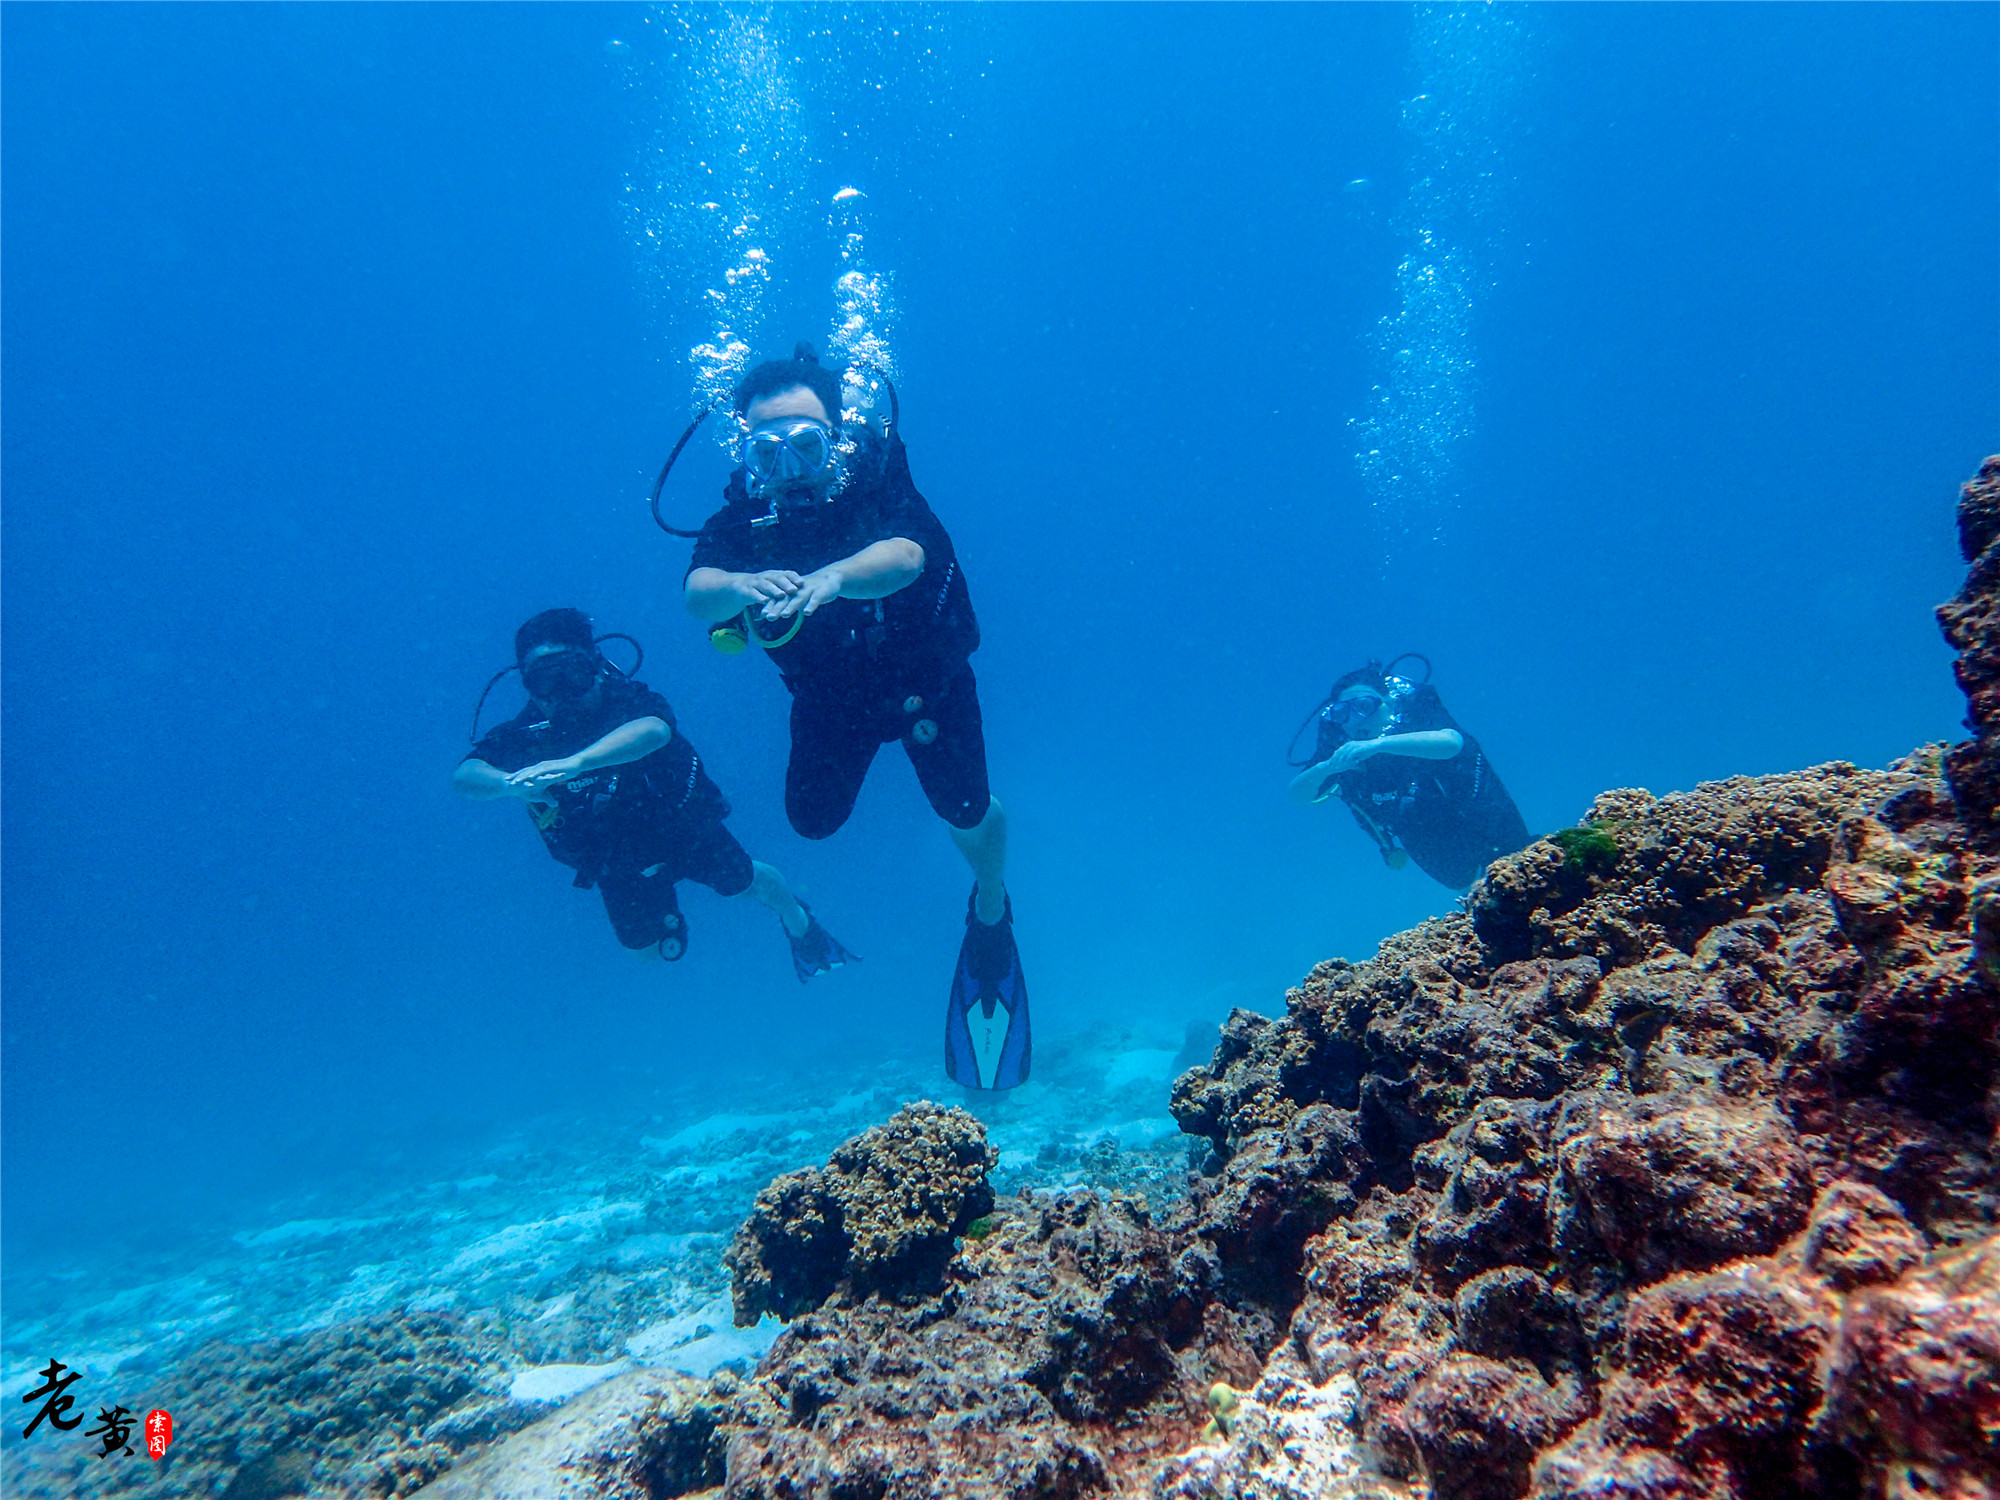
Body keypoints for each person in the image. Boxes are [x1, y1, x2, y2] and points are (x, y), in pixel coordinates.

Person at [680, 343, 1028, 1090]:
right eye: (766, 452)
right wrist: (741, 583)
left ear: (836, 437)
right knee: (811, 822)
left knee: (965, 808)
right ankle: (801, 915)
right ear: (746, 455)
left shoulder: (878, 479)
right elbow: (699, 591)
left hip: (926, 686)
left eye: (807, 444)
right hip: (832, 702)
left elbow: (908, 555)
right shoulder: (744, 518)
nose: (790, 469)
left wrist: (835, 576)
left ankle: (991, 910)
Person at [455, 607, 852, 980]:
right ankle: (663, 905)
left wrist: (577, 764)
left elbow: (654, 731)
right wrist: (508, 784)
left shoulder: (630, 700)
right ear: (527, 683)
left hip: (682, 830)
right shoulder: (526, 735)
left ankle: (800, 923)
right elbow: (466, 775)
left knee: (750, 883)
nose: (561, 692)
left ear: (593, 665)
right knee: (643, 953)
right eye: (544, 679)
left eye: (571, 673)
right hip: (611, 857)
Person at [1287, 656, 1530, 892]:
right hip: (1417, 823)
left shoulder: (1413, 710)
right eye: (1342, 712)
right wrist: (1326, 768)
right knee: (1459, 880)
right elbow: (1298, 796)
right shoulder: (1338, 739)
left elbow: (1452, 742)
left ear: (1389, 701)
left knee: (1518, 865)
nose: (1355, 720)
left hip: (1472, 802)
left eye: (1364, 706)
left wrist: (1378, 745)